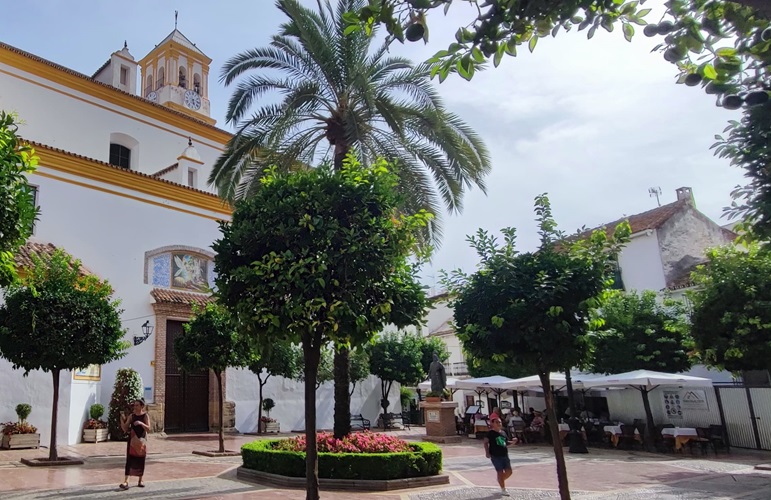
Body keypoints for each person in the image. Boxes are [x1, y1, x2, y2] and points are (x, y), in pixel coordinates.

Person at [119, 399, 150, 490]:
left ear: (141, 406)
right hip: (132, 440)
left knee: (140, 459)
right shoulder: (132, 416)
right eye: (134, 405)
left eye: (137, 405)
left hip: (141, 440)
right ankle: (126, 481)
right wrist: (121, 419)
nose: (135, 407)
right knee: (129, 459)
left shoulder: (145, 416)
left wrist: (141, 423)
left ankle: (140, 480)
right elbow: (125, 428)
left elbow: (148, 429)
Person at [484, 416, 514, 497]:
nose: (499, 424)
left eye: (500, 422)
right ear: (492, 424)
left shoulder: (503, 432)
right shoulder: (490, 433)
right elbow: (485, 442)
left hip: (504, 454)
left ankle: (500, 480)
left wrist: (513, 442)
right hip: (495, 456)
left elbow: (506, 442)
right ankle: (503, 488)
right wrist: (487, 452)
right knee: (500, 472)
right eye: (497, 422)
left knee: (509, 471)